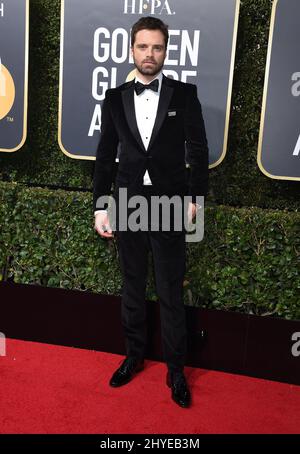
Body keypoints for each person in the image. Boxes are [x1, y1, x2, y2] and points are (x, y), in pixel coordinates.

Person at [93, 16, 209, 408]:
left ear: (165, 50)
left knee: (170, 290)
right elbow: (105, 157)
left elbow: (198, 151)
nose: (150, 54)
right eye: (143, 46)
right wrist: (99, 206)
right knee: (132, 286)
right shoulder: (113, 98)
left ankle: (176, 372)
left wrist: (195, 200)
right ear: (132, 50)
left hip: (170, 204)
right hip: (127, 203)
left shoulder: (184, 94)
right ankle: (133, 356)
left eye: (157, 47)